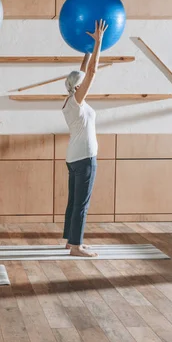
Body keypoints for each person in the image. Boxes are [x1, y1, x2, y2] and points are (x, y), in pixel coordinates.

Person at [62, 19, 108, 257]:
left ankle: (71, 242)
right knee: (81, 203)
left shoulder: (70, 102)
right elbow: (90, 73)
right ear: (77, 88)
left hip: (74, 157)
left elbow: (82, 72)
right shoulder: (77, 103)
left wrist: (88, 50)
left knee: (74, 202)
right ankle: (76, 247)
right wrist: (99, 43)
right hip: (84, 157)